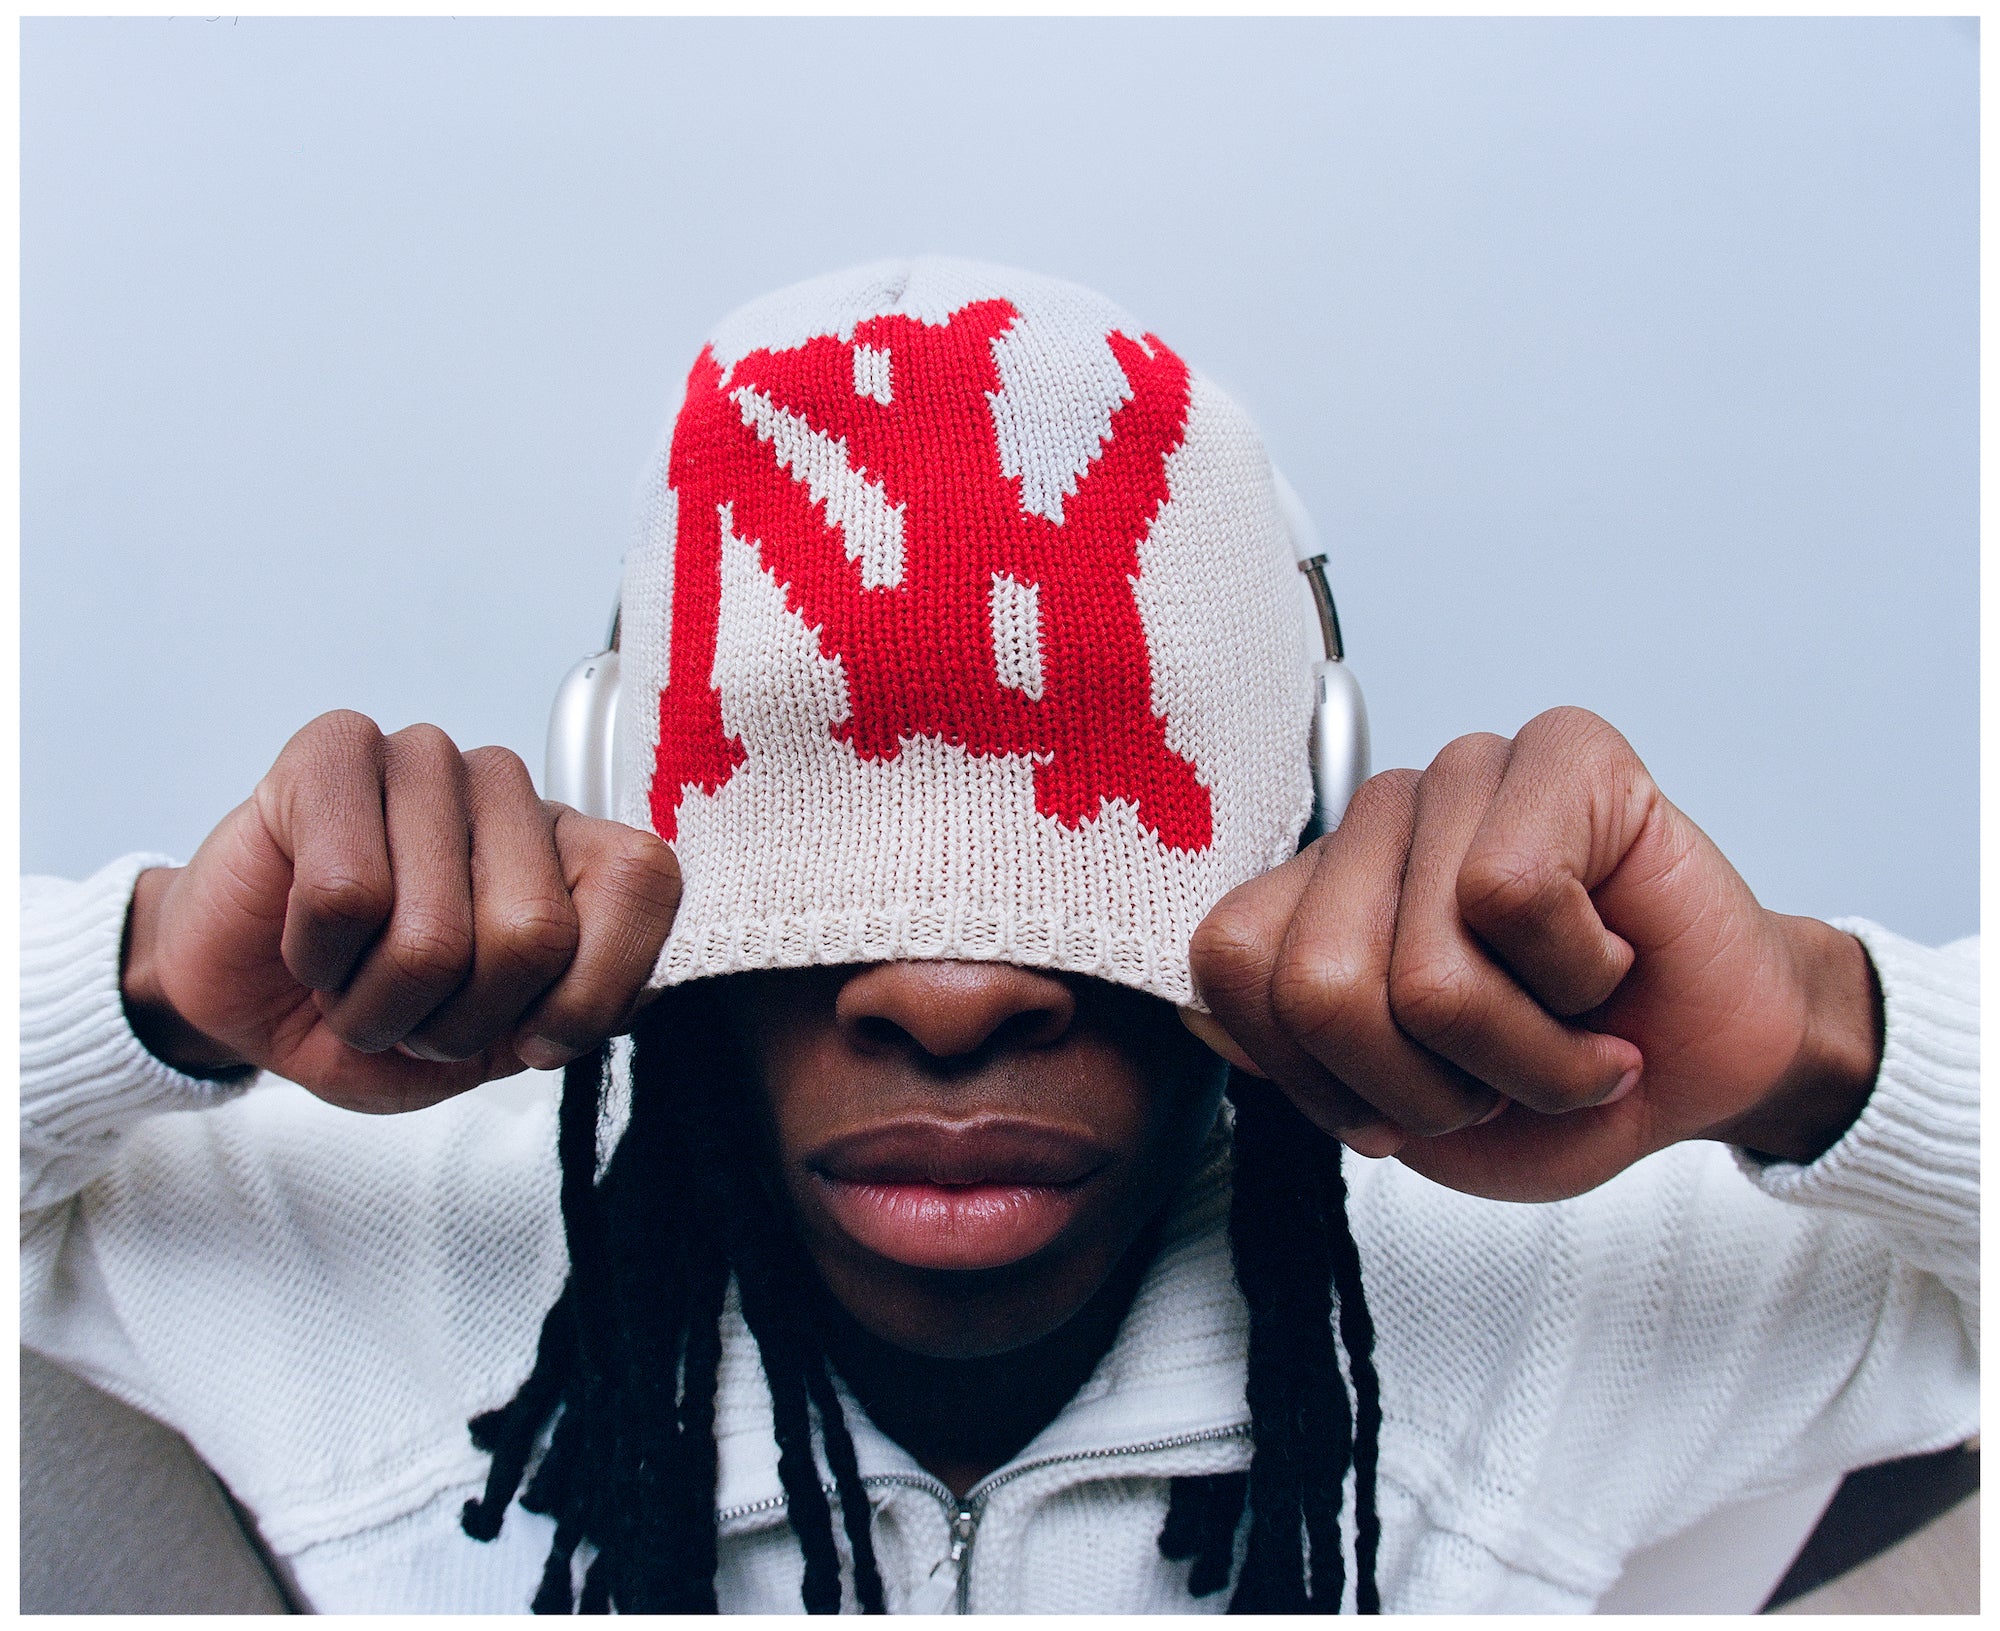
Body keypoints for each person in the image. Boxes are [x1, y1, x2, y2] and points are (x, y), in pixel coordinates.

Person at [21, 258, 1976, 1615]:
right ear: (616, 797)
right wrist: (143, 991)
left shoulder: (1572, 1284)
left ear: (1306, 808)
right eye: (820, 831)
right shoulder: (323, 1244)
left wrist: (1825, 1044)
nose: (950, 992)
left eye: (1081, 841)